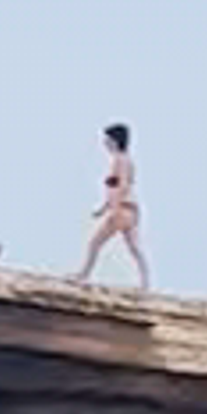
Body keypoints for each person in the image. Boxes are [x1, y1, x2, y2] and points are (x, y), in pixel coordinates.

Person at [75, 121, 151, 292]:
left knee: (95, 243)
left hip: (122, 208)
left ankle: (84, 274)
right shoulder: (126, 160)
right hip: (131, 209)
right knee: (135, 248)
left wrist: (114, 210)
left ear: (115, 141)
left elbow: (121, 186)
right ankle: (145, 282)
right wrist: (103, 209)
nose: (105, 143)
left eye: (107, 140)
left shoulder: (120, 160)